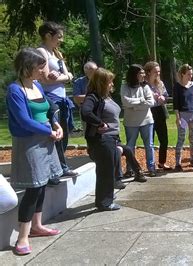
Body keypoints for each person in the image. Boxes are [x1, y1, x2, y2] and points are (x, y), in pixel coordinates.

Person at [7, 48, 63, 255]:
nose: (43, 71)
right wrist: (49, 130)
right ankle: (22, 237)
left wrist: (56, 124)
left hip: (46, 141)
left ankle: (37, 227)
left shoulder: (37, 85)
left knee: (42, 185)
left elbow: (48, 109)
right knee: (32, 188)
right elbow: (24, 120)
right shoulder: (15, 90)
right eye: (40, 67)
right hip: (29, 145)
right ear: (28, 67)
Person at [37, 21, 78, 183]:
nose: (61, 40)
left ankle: (61, 166)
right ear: (48, 35)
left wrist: (62, 77)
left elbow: (69, 76)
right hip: (51, 98)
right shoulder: (42, 52)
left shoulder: (56, 53)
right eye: (58, 37)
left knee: (65, 133)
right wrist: (64, 77)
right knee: (56, 135)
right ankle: (56, 170)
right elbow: (46, 80)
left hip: (62, 98)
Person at [81, 67, 124, 211]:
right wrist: (99, 123)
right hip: (101, 140)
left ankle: (106, 197)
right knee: (105, 171)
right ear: (101, 83)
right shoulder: (92, 97)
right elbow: (85, 112)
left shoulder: (104, 96)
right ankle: (105, 202)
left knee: (108, 170)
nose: (112, 84)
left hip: (111, 139)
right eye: (109, 82)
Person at [121, 64, 156, 176]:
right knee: (130, 146)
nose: (143, 75)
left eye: (143, 73)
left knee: (149, 145)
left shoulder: (145, 87)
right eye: (141, 73)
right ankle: (130, 169)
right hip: (131, 122)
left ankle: (151, 168)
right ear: (134, 74)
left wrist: (134, 106)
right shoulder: (125, 87)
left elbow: (151, 102)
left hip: (147, 120)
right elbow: (125, 102)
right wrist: (141, 100)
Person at [144, 61, 172, 171]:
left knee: (164, 139)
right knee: (150, 141)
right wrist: (152, 97)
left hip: (160, 111)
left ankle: (162, 162)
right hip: (149, 112)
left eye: (159, 71)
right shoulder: (143, 85)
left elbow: (166, 95)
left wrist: (163, 98)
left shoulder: (160, 84)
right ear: (149, 72)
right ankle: (150, 165)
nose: (158, 73)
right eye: (155, 71)